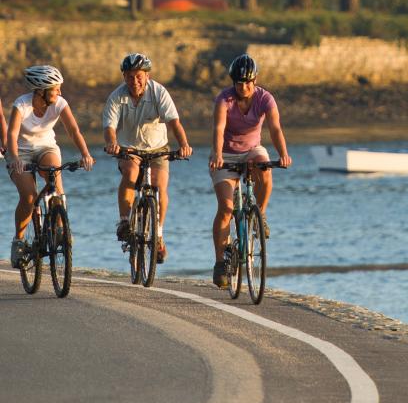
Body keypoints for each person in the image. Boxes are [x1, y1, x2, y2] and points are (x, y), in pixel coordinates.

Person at [209, 53, 292, 288]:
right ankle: (220, 263)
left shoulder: (265, 98)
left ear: (254, 81)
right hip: (225, 155)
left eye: (247, 82)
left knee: (263, 166)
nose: (243, 87)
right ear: (233, 82)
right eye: (238, 82)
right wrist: (216, 155)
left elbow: (275, 128)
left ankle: (260, 214)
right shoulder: (224, 99)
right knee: (226, 208)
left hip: (252, 150)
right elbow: (218, 128)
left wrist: (283, 154)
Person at [103, 52, 192, 264]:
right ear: (124, 77)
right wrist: (112, 144)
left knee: (160, 187)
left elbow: (174, 123)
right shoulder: (117, 97)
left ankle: (158, 233)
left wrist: (184, 145)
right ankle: (125, 221)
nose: (135, 81)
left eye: (139, 76)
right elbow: (109, 127)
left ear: (147, 76)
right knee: (131, 174)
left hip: (158, 148)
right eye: (130, 76)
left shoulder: (159, 92)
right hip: (129, 149)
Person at [6, 65, 94, 268]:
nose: (60, 92)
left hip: (47, 148)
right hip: (21, 153)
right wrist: (15, 158)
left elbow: (73, 130)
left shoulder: (60, 103)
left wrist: (85, 154)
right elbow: (11, 135)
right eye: (56, 88)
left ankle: (60, 229)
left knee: (56, 185)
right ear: (41, 90)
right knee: (28, 197)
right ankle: (19, 240)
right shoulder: (22, 105)